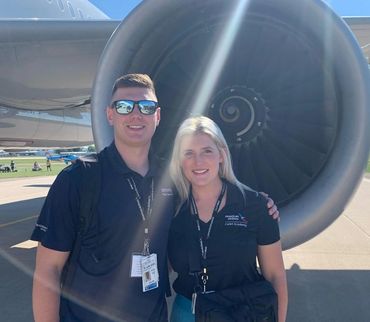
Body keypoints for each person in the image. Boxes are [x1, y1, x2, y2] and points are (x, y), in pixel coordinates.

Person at [31, 74, 279, 322]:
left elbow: (209, 200)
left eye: (146, 107)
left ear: (157, 116)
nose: (136, 114)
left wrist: (259, 202)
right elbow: (47, 270)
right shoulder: (78, 179)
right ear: (110, 114)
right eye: (124, 106)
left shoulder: (171, 180)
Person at [168, 116, 288, 322]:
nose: (198, 161)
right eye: (189, 153)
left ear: (221, 154)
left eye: (207, 151)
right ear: (179, 160)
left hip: (241, 312)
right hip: (187, 312)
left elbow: (276, 276)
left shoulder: (254, 205)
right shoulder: (172, 209)